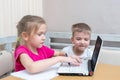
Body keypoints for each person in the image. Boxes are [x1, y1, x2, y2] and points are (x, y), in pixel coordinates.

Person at [14, 15, 81, 74]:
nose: (44, 38)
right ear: (25, 36)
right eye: (40, 34)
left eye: (44, 34)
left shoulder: (42, 49)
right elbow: (32, 68)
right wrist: (59, 59)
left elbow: (60, 53)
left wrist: (69, 56)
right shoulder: (21, 52)